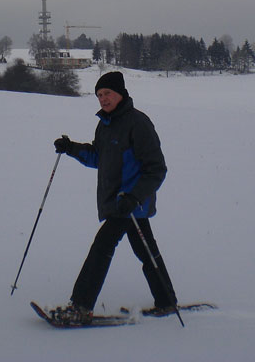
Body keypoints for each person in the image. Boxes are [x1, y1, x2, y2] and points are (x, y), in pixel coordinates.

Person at [51, 70, 177, 324]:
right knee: (146, 250)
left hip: (129, 203)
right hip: (118, 202)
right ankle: (166, 301)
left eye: (107, 93)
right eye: (99, 95)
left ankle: (80, 306)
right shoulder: (105, 124)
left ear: (120, 93)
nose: (103, 99)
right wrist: (72, 148)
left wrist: (135, 197)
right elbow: (100, 157)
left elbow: (156, 170)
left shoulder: (138, 123)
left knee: (102, 247)